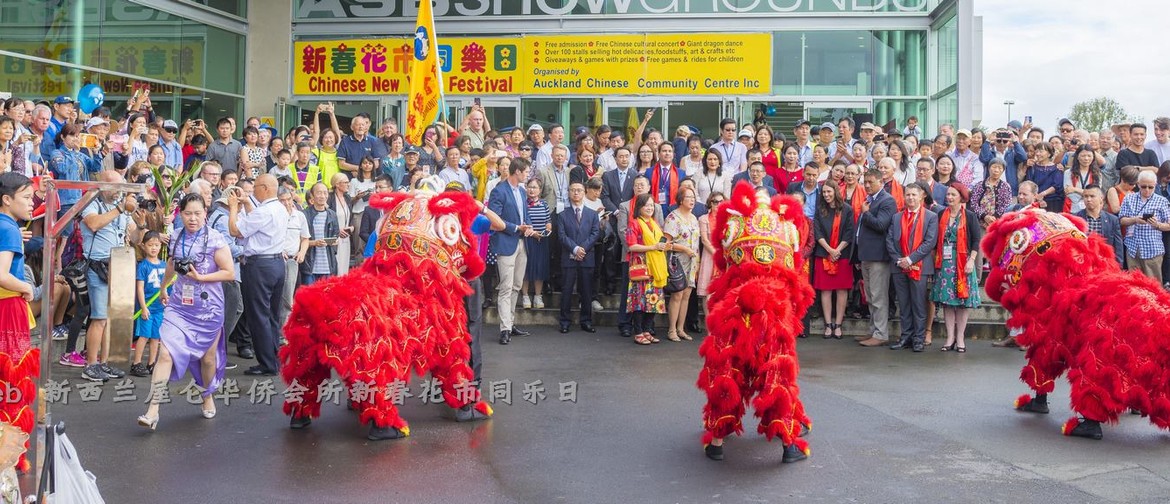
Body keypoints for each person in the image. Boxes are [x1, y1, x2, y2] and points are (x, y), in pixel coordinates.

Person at [136, 193, 235, 429]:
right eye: (188, 213)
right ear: (181, 214)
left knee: (207, 358)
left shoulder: (215, 238)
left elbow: (229, 272)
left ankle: (207, 394)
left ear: (205, 214)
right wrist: (163, 288)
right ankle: (152, 410)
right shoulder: (177, 235)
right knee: (165, 353)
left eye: (198, 213)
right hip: (179, 305)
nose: (193, 218)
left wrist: (201, 277)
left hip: (208, 307)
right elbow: (171, 264)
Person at [228, 174, 288, 376]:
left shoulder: (264, 211)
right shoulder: (279, 207)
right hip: (276, 263)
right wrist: (246, 204)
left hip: (260, 266)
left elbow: (236, 231)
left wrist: (234, 207)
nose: (252, 191)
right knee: (271, 314)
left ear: (264, 188)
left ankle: (267, 363)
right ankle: (273, 358)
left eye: (255, 187)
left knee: (258, 315)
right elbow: (256, 222)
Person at [79, 170, 137, 381]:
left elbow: (137, 238)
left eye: (122, 187)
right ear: (103, 185)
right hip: (97, 265)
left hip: (118, 264)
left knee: (110, 319)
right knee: (99, 317)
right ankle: (90, 364)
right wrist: (121, 208)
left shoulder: (121, 204)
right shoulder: (91, 201)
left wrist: (137, 219)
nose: (119, 192)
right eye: (116, 188)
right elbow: (93, 223)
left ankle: (103, 363)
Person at [0, 172, 36, 471]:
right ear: (7, 200)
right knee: (12, 380)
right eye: (26, 197)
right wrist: (26, 287)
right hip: (9, 307)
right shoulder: (8, 228)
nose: (32, 202)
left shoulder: (6, 226)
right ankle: (11, 455)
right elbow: (1, 274)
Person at [885, 182, 938, 352]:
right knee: (904, 303)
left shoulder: (930, 216)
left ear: (922, 196)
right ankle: (905, 336)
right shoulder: (896, 217)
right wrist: (899, 260)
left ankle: (918, 339)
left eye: (914, 195)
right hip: (899, 266)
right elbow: (890, 240)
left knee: (918, 303)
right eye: (908, 194)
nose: (910, 198)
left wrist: (910, 259)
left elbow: (929, 242)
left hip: (920, 267)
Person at [930, 184, 981, 353]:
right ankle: (950, 336)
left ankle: (960, 337)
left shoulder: (970, 216)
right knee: (947, 303)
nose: (949, 197)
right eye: (948, 194)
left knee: (962, 303)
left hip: (963, 261)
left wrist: (971, 260)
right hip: (945, 263)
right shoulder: (940, 214)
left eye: (953, 194)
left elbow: (975, 240)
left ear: (961, 197)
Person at [488, 158, 534, 345]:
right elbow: (494, 220)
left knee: (516, 285)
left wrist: (529, 227)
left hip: (522, 242)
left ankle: (511, 322)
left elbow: (525, 214)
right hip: (507, 242)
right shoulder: (499, 191)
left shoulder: (522, 191)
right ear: (517, 172)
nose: (528, 175)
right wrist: (517, 228)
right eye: (526, 172)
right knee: (506, 287)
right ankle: (504, 328)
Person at [857, 169, 897, 347]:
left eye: (870, 182)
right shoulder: (870, 200)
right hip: (866, 255)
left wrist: (866, 213)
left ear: (881, 182)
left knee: (878, 296)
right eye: (865, 182)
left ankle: (881, 333)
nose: (866, 185)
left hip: (879, 256)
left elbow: (881, 225)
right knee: (871, 296)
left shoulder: (887, 200)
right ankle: (873, 330)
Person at [556, 182, 601, 334]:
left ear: (584, 192)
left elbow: (595, 234)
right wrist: (575, 248)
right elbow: (561, 236)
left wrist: (583, 249)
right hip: (568, 257)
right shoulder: (562, 215)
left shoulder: (593, 214)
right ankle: (564, 321)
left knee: (587, 291)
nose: (576, 193)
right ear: (568, 193)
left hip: (587, 257)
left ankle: (586, 321)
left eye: (579, 190)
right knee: (567, 290)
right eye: (573, 190)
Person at [813, 182, 854, 339]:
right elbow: (817, 232)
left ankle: (838, 324)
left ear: (836, 191)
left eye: (829, 191)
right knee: (826, 290)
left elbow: (849, 232)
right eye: (824, 192)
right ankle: (828, 324)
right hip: (824, 253)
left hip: (842, 254)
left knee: (842, 290)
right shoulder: (820, 210)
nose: (826, 195)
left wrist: (837, 250)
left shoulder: (847, 209)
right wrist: (830, 250)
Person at [626, 193, 667, 345]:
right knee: (639, 301)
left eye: (651, 205)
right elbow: (631, 246)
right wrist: (653, 247)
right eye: (646, 205)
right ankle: (638, 332)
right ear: (639, 208)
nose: (650, 208)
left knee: (654, 300)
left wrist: (663, 246)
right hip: (642, 266)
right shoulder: (634, 223)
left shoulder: (655, 223)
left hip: (656, 267)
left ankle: (646, 330)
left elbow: (658, 243)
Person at [662, 186, 700, 342]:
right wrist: (684, 248)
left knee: (687, 295)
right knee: (677, 294)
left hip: (692, 261)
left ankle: (680, 328)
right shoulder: (673, 217)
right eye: (688, 197)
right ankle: (671, 330)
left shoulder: (693, 218)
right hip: (677, 260)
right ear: (680, 199)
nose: (691, 200)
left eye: (693, 197)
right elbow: (666, 244)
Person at [1118, 171, 1170, 283]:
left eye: (1151, 187)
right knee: (1134, 284)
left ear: (1155, 185)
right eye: (1143, 186)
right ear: (1138, 184)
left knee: (1153, 285)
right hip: (1132, 248)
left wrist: (1158, 225)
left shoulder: (1161, 201)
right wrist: (1135, 220)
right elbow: (1122, 220)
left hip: (1153, 249)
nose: (1147, 190)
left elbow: (1169, 225)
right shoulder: (1129, 198)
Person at [130, 231, 166, 377]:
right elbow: (139, 288)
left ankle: (151, 363)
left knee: (155, 337)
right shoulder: (143, 266)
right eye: (150, 245)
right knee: (144, 336)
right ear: (143, 246)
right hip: (147, 308)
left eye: (157, 245)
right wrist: (143, 307)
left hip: (160, 308)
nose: (154, 248)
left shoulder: (164, 265)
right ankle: (136, 363)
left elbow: (167, 288)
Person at [279, 187, 309, 325]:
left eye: (289, 199)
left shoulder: (300, 216)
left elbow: (305, 238)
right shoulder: (275, 215)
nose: (286, 203)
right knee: (280, 296)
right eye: (282, 200)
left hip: (293, 260)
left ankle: (284, 330)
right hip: (278, 258)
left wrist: (302, 252)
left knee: (288, 296)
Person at [1075, 185, 1124, 267]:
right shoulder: (1076, 218)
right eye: (1085, 196)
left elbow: (1118, 246)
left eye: (1092, 196)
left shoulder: (1112, 220)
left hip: (1106, 263)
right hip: (1083, 263)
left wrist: (1118, 266)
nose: (1088, 199)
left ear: (1101, 198)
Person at [300, 182, 339, 285]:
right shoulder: (304, 214)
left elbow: (336, 236)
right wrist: (314, 243)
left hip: (328, 263)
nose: (322, 196)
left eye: (325, 193)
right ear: (312, 196)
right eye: (319, 193)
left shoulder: (332, 214)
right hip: (309, 264)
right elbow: (299, 239)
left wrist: (332, 241)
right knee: (309, 296)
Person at [522, 178, 550, 312]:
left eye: (535, 187)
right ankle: (525, 296)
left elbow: (548, 221)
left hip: (541, 240)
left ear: (540, 190)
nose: (532, 190)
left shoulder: (544, 204)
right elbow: (521, 222)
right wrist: (532, 233)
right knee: (526, 268)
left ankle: (538, 296)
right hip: (527, 240)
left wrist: (548, 229)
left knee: (540, 268)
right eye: (530, 187)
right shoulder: (522, 203)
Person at [697, 191, 724, 307]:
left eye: (721, 202)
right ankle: (708, 324)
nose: (718, 204)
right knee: (708, 292)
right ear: (710, 203)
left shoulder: (729, 219)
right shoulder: (704, 219)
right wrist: (716, 254)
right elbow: (704, 240)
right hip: (709, 256)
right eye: (715, 202)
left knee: (722, 293)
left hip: (724, 257)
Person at [970, 158, 1014, 230]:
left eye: (999, 168)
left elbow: (1006, 204)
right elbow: (973, 203)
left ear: (1003, 170)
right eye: (994, 167)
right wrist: (984, 216)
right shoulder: (979, 185)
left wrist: (994, 217)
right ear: (989, 168)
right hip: (979, 222)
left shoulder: (1005, 187)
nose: (996, 170)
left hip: (997, 223)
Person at [328, 173, 354, 275]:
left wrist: (351, 227)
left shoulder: (347, 198)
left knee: (344, 265)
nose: (348, 184)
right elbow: (328, 218)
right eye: (346, 182)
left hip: (346, 237)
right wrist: (337, 230)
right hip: (335, 237)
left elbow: (350, 216)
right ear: (337, 184)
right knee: (336, 265)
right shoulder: (330, 198)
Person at [1026, 142, 1064, 211]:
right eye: (1036, 151)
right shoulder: (1032, 167)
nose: (1037, 154)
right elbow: (1029, 183)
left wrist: (1043, 194)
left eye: (1041, 151)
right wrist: (1038, 198)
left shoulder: (1057, 168)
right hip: (1035, 201)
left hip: (1054, 202)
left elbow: (1057, 185)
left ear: (1049, 154)